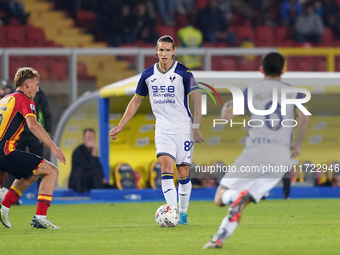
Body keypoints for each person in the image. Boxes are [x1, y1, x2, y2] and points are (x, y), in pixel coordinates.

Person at [203, 52, 310, 248]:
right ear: (284, 70)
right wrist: (298, 145)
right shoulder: (294, 92)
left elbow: (227, 117)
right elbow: (305, 118)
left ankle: (234, 197)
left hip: (255, 153)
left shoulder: (251, 90)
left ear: (261, 69)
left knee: (220, 197)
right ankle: (219, 238)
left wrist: (227, 105)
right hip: (281, 157)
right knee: (242, 203)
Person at [109, 35, 205, 225]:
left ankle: (183, 214)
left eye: (168, 50)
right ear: (156, 51)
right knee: (166, 168)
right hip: (162, 129)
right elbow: (136, 100)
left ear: (174, 52)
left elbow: (198, 98)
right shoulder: (147, 75)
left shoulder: (184, 73)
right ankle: (173, 212)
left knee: (184, 172)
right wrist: (120, 126)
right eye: (161, 50)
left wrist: (195, 127)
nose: (164, 54)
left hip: (183, 128)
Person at [0, 67, 66, 229]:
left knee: (33, 173)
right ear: (28, 84)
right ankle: (40, 216)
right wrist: (53, 147)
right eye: (36, 85)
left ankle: (4, 206)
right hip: (5, 151)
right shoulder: (24, 100)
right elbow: (33, 125)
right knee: (51, 170)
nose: (37, 89)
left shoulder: (5, 99)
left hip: (2, 152)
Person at [68, 128, 113, 193]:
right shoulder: (78, 152)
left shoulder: (92, 151)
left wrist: (101, 178)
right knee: (97, 174)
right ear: (83, 139)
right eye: (89, 138)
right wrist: (94, 155)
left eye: (93, 138)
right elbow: (89, 167)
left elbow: (99, 167)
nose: (91, 140)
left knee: (109, 186)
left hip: (91, 180)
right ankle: (99, 196)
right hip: (79, 182)